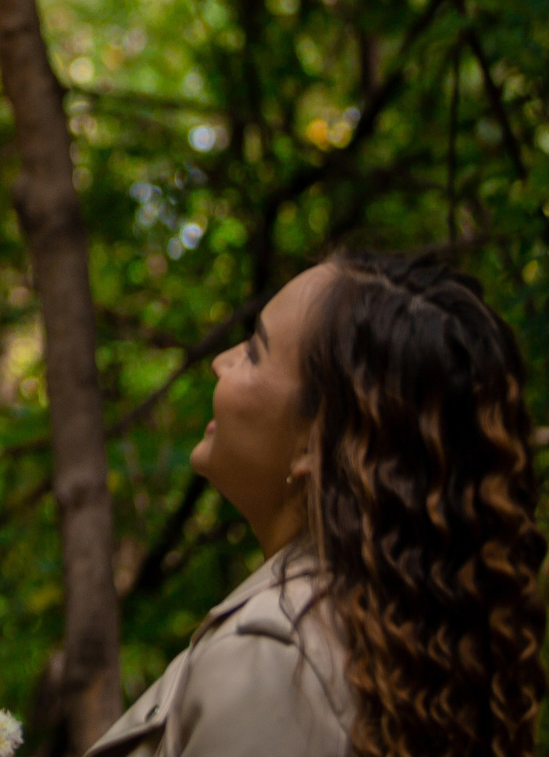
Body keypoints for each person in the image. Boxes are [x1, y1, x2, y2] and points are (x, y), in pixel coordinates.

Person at [87, 250, 545, 757]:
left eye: (254, 351)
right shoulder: (393, 640)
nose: (221, 361)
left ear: (314, 443)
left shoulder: (273, 660)